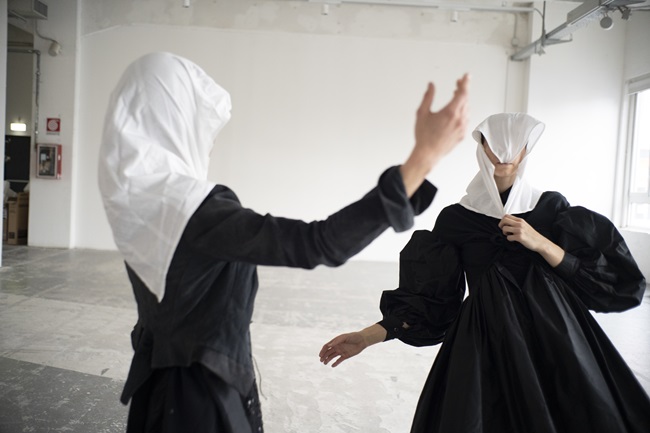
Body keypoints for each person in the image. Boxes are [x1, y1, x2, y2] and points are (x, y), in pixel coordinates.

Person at [97, 51, 469, 433]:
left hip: (160, 385)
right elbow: (319, 243)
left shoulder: (142, 200)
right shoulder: (191, 210)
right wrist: (423, 157)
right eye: (198, 123)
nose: (207, 142)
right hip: (199, 399)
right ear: (173, 120)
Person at [319, 112, 650, 433]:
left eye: (515, 145)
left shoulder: (552, 209)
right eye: (494, 144)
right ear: (481, 147)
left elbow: (606, 281)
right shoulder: (456, 219)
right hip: (483, 344)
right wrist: (366, 337)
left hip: (557, 340)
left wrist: (540, 243)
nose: (504, 154)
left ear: (527, 150)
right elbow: (430, 302)